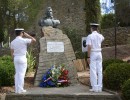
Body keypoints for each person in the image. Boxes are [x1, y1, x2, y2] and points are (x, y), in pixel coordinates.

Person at [10, 28, 36, 94]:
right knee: (21, 74)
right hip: (22, 58)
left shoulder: (12, 42)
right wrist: (28, 35)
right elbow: (34, 40)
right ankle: (20, 90)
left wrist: (13, 60)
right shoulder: (24, 40)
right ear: (22, 33)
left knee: (17, 74)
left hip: (16, 58)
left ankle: (17, 89)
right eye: (23, 32)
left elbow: (12, 52)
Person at [86, 23, 104, 92]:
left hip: (93, 53)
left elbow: (89, 47)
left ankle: (95, 87)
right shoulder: (100, 36)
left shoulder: (90, 36)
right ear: (97, 29)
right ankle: (100, 87)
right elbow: (102, 39)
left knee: (93, 70)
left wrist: (88, 56)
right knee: (100, 70)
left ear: (91, 28)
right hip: (99, 53)